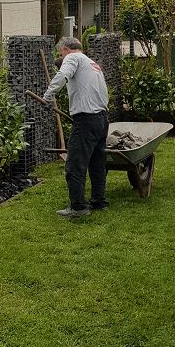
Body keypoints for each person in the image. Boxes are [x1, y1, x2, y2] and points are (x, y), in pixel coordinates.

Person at [43, 36, 109, 218]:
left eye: (59, 53)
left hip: (86, 119)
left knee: (75, 164)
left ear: (65, 49)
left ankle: (78, 207)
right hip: (102, 118)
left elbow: (62, 75)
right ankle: (99, 202)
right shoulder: (92, 63)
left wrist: (48, 95)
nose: (60, 57)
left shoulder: (72, 58)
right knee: (97, 163)